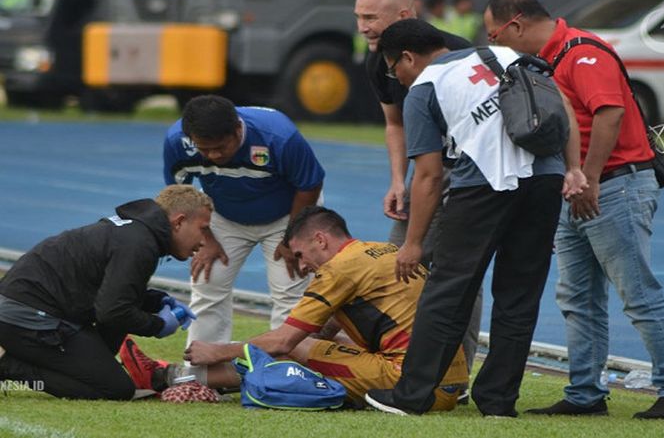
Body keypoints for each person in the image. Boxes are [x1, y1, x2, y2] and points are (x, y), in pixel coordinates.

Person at [483, 0, 664, 420]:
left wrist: (590, 178)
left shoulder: (582, 53)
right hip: (579, 187)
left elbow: (609, 113)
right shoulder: (554, 57)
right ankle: (585, 393)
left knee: (636, 292)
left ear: (516, 25)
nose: (497, 45)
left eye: (495, 35)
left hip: (611, 186)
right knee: (577, 297)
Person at [364, 18, 586, 417]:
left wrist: (413, 244)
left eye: (392, 67)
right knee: (520, 295)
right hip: (545, 180)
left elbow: (430, 177)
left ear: (408, 58)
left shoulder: (424, 89)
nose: (394, 77)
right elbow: (563, 107)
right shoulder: (509, 55)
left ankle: (412, 395)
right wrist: (573, 168)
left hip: (482, 187)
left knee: (448, 290)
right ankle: (499, 401)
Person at [121, 206, 469, 410]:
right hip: (447, 381)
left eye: (301, 255)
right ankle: (179, 377)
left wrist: (218, 350)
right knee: (314, 346)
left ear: (320, 240)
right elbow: (333, 325)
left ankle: (167, 377)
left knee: (296, 348)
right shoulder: (381, 251)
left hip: (410, 388)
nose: (302, 267)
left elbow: (287, 341)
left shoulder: (338, 268)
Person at [354, 0, 483, 384]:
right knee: (398, 264)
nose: (362, 27)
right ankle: (396, 360)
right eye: (358, 17)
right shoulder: (378, 59)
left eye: (371, 17)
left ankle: (456, 373)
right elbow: (395, 124)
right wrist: (398, 181)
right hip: (424, 171)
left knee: (456, 270)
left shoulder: (459, 53)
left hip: (469, 171)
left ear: (404, 16)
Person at [0, 185, 212, 400]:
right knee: (115, 389)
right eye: (203, 229)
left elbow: (113, 291)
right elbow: (112, 312)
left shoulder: (138, 233)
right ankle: (8, 365)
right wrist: (158, 326)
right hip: (26, 318)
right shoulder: (140, 243)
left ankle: (94, 367)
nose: (204, 241)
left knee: (109, 353)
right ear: (179, 222)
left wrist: (158, 301)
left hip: (29, 308)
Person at [163, 95, 325, 346]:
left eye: (220, 147)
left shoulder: (279, 136)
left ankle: (286, 373)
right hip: (223, 215)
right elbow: (179, 197)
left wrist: (292, 236)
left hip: (288, 215)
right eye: (204, 149)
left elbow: (309, 186)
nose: (214, 155)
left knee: (289, 291)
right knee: (208, 284)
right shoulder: (177, 142)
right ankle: (202, 374)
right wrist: (205, 238)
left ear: (238, 129)